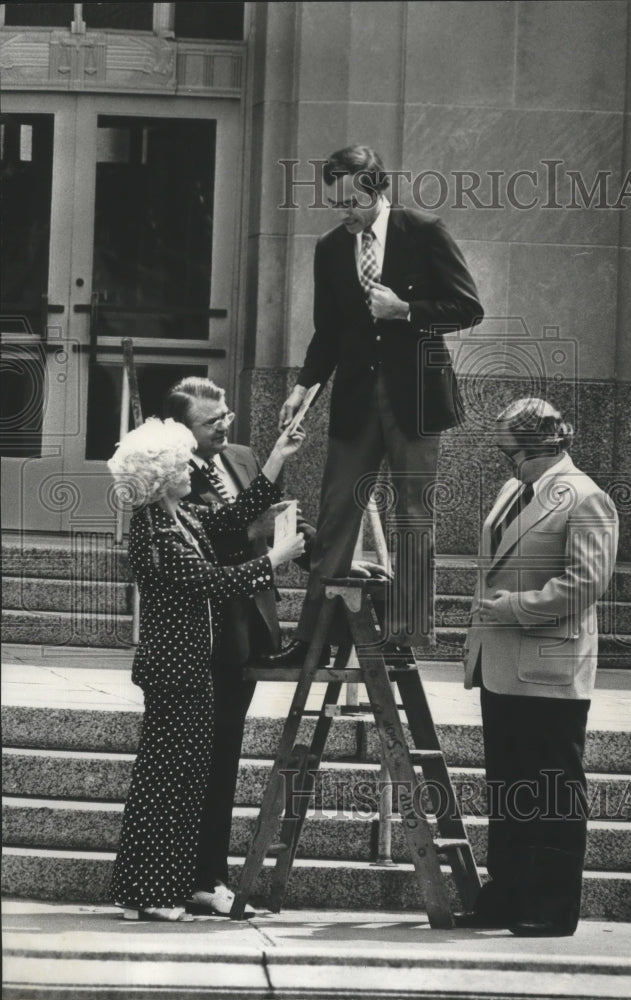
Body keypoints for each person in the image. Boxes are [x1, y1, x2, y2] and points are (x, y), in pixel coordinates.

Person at [162, 375, 387, 916]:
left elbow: (275, 519)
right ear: (180, 429)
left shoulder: (240, 457)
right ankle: (196, 877)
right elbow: (207, 535)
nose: (223, 428)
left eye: (225, 417)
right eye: (210, 423)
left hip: (249, 629)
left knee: (224, 756)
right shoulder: (169, 469)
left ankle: (207, 876)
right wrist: (257, 526)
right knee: (199, 763)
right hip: (203, 635)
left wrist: (325, 555)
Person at [267, 144, 483, 667]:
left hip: (416, 397)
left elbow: (468, 307)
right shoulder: (329, 248)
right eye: (335, 203)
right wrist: (303, 385)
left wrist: (405, 310)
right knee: (336, 512)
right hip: (355, 398)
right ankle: (311, 639)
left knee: (414, 514)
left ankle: (405, 635)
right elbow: (328, 330)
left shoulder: (423, 231)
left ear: (377, 190)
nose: (344, 213)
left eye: (352, 203)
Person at [107, 417, 306, 922]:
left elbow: (234, 516)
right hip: (173, 672)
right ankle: (147, 892)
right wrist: (276, 559)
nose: (188, 472)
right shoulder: (155, 531)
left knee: (186, 781)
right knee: (165, 781)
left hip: (193, 668)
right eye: (179, 467)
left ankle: (167, 886)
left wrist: (277, 457)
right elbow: (211, 581)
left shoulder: (184, 517)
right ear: (159, 480)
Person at [457, 398, 618, 936]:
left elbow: (586, 584)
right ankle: (506, 896)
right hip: (500, 663)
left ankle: (552, 907)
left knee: (552, 791)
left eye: (512, 454)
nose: (507, 464)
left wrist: (515, 608)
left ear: (541, 447)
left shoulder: (587, 499)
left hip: (550, 671)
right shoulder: (513, 491)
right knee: (508, 789)